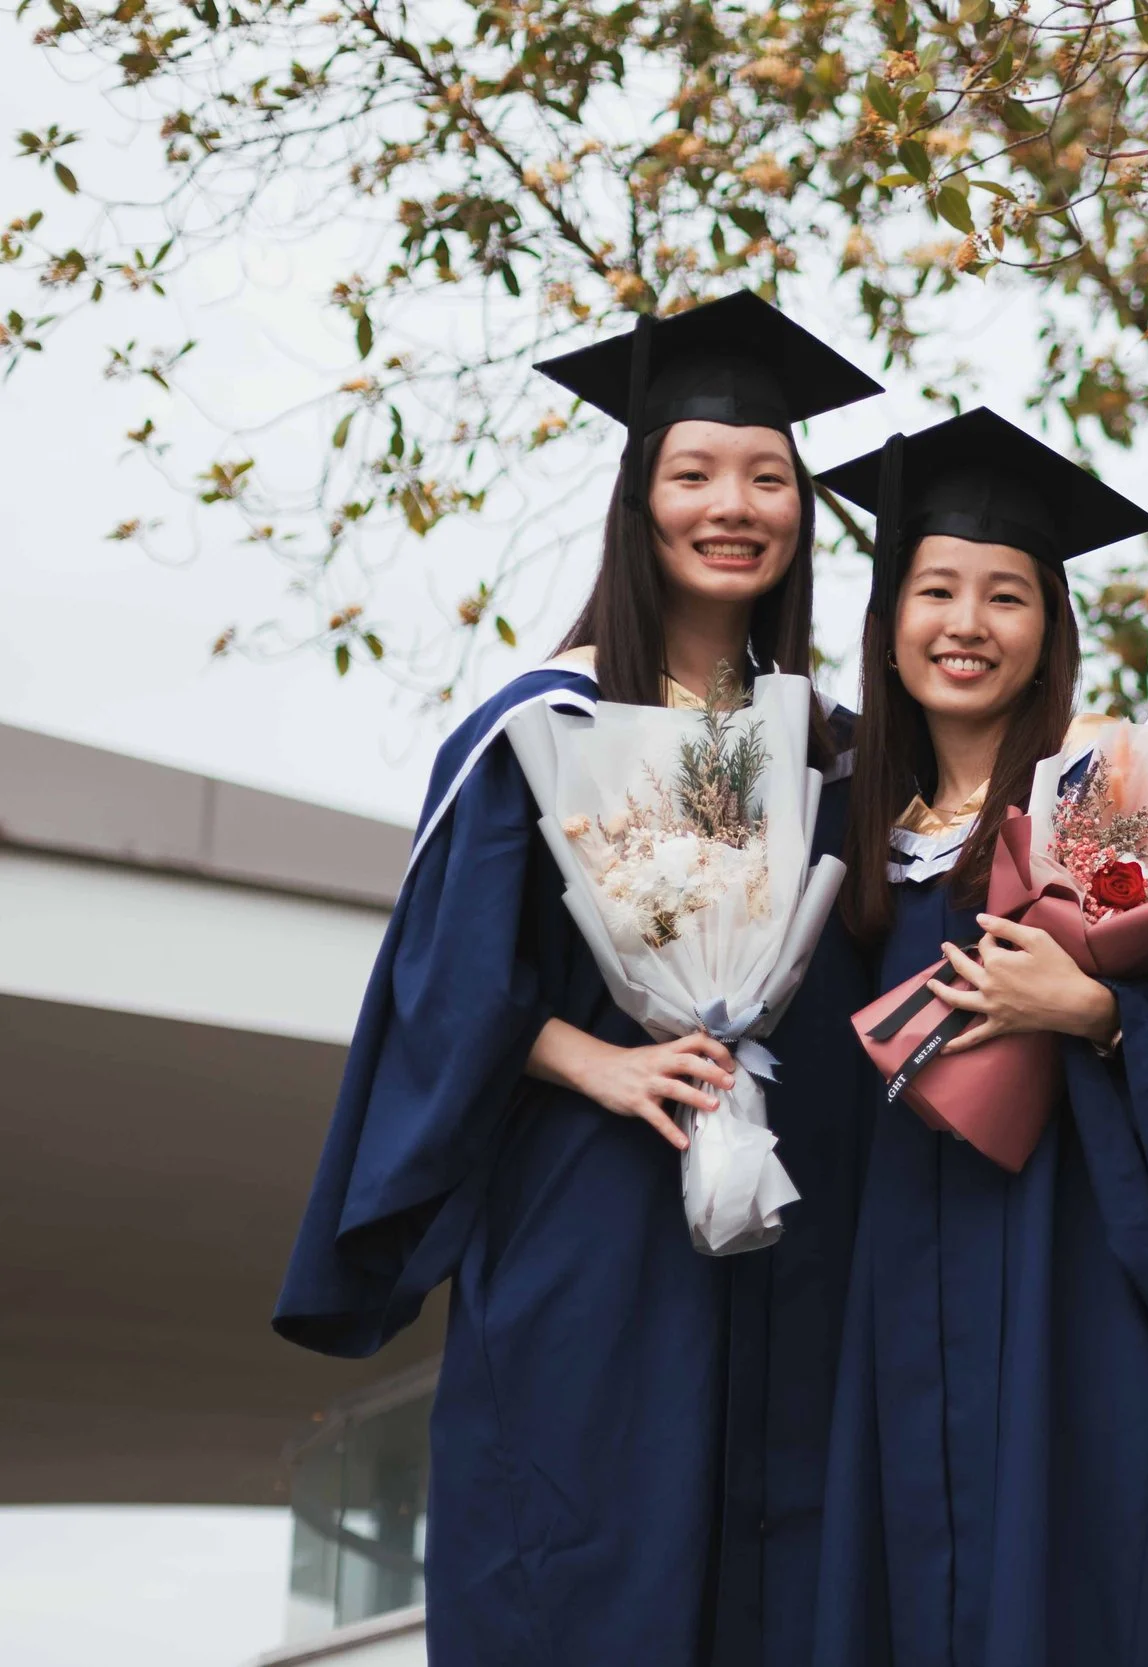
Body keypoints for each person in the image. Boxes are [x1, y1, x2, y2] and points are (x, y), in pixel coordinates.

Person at [273, 291, 885, 1667]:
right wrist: (599, 1057)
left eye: (769, 476)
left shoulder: (833, 751)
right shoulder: (538, 725)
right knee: (586, 1559)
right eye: (696, 472)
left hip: (798, 1231)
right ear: (641, 499)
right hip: (592, 1221)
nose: (735, 502)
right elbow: (446, 987)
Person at [808, 409, 1148, 1666]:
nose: (967, 624)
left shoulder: (1112, 805)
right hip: (885, 1303)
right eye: (936, 590)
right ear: (888, 623)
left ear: (1048, 627)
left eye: (1005, 595)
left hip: (1081, 1305)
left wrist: (1103, 1015)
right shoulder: (839, 831)